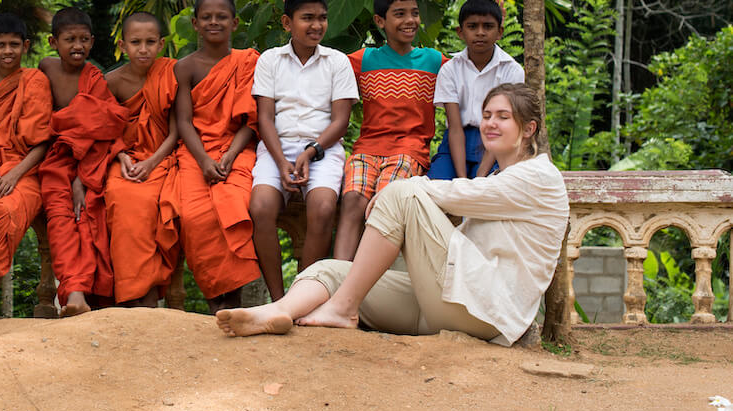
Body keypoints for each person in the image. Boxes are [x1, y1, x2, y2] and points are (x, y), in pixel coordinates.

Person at [215, 83, 568, 347]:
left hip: (485, 313)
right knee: (329, 270)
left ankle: (342, 309)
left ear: (530, 128)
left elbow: (462, 195)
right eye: (487, 115)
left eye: (503, 117)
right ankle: (276, 312)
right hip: (446, 304)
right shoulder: (503, 177)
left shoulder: (539, 177)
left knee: (405, 191)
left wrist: (397, 193)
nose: (490, 123)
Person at [251, 0, 357, 301]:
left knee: (323, 208)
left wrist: (311, 153)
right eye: (306, 18)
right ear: (287, 23)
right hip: (276, 150)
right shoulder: (270, 60)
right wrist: (283, 162)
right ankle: (278, 298)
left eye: (322, 18)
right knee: (260, 208)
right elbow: (265, 118)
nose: (316, 25)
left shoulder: (337, 62)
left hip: (322, 150)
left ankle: (302, 297)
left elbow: (340, 121)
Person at [167, 0, 261, 314]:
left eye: (222, 16)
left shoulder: (249, 61)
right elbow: (183, 121)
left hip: (238, 147)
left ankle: (233, 303)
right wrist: (205, 160)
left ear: (234, 23)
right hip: (195, 152)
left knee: (235, 204)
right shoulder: (185, 67)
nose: (214, 22)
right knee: (193, 216)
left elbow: (252, 118)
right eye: (206, 17)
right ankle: (214, 303)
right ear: (195, 24)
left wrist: (230, 156)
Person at [336, 0, 444, 260]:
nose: (410, 21)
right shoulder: (364, 60)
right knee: (352, 201)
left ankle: (362, 286)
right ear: (380, 21)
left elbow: (469, 71)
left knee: (384, 200)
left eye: (415, 13)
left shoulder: (432, 60)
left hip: (409, 151)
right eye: (399, 14)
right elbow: (322, 67)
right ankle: (336, 278)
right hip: (366, 149)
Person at [37, 7, 128, 316]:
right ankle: (73, 291)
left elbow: (110, 125)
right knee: (61, 219)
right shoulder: (45, 69)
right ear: (53, 42)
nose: (77, 46)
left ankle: (88, 294)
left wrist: (81, 179)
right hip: (55, 159)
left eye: (83, 40)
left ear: (92, 41)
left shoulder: (94, 79)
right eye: (69, 39)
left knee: (90, 216)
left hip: (90, 162)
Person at [0, 13, 53, 323]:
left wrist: (15, 175)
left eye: (14, 45)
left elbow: (43, 141)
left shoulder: (36, 81)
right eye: (0, 45)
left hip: (26, 172)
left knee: (7, 214)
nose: (7, 51)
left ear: (26, 46)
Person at [105, 13, 180, 307]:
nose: (143, 49)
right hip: (125, 159)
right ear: (123, 45)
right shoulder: (111, 82)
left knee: (161, 204)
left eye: (150, 42)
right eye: (136, 42)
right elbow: (104, 130)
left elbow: (176, 130)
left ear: (161, 44)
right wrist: (121, 156)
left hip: (163, 157)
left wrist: (152, 163)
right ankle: (133, 293)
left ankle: (149, 292)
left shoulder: (172, 74)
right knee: (120, 197)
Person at [430, 0, 525, 180]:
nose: (480, 33)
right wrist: (462, 180)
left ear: (500, 32)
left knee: (492, 185)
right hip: (456, 143)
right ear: (460, 32)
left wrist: (480, 179)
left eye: (488, 26)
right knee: (438, 185)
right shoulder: (450, 69)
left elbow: (499, 126)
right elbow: (455, 128)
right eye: (472, 26)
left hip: (496, 142)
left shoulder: (511, 70)